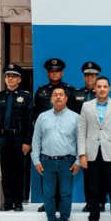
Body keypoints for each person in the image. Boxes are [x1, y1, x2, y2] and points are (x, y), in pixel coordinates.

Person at [78, 76, 111, 221]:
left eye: (105, 86)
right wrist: (82, 154)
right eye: (99, 86)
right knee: (92, 191)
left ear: (109, 88)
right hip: (91, 154)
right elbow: (81, 132)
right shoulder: (86, 106)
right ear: (95, 89)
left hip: (110, 154)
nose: (102, 89)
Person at [31, 87, 80, 221]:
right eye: (55, 95)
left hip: (67, 161)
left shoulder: (75, 117)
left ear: (66, 98)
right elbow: (36, 140)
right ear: (51, 99)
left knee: (65, 194)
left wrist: (78, 160)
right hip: (47, 161)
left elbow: (80, 140)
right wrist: (36, 160)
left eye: (61, 95)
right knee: (48, 194)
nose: (58, 97)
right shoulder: (42, 117)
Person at [33, 58, 76, 212]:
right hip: (47, 138)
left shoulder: (71, 90)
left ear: (62, 73)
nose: (54, 73)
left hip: (66, 139)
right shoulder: (41, 91)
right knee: (48, 177)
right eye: (51, 71)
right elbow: (36, 114)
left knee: (64, 178)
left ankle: (60, 205)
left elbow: (76, 115)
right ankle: (49, 203)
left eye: (57, 71)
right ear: (47, 73)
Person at [0, 63, 33, 212]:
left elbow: (29, 121)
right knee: (6, 171)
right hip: (3, 139)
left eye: (14, 77)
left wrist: (28, 141)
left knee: (19, 171)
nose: (11, 79)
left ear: (19, 79)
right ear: (5, 79)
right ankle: (8, 201)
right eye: (8, 76)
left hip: (19, 139)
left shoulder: (26, 97)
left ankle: (18, 201)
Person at [74, 61, 106, 213]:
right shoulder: (76, 94)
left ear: (97, 77)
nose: (90, 78)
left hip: (101, 139)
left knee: (102, 172)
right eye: (87, 75)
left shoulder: (103, 94)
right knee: (88, 173)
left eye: (93, 75)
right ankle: (90, 201)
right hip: (83, 138)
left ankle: (101, 201)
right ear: (84, 77)